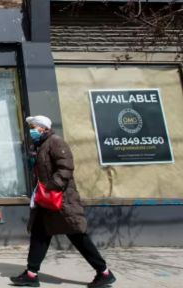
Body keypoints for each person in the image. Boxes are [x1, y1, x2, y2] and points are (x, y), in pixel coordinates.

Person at [10, 115, 116, 288]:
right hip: (47, 201)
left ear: (43, 128)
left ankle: (104, 272)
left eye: (33, 127)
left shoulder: (55, 142)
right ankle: (31, 274)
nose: (31, 131)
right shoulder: (40, 145)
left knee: (77, 236)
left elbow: (66, 168)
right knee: (39, 234)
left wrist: (51, 188)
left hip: (61, 201)